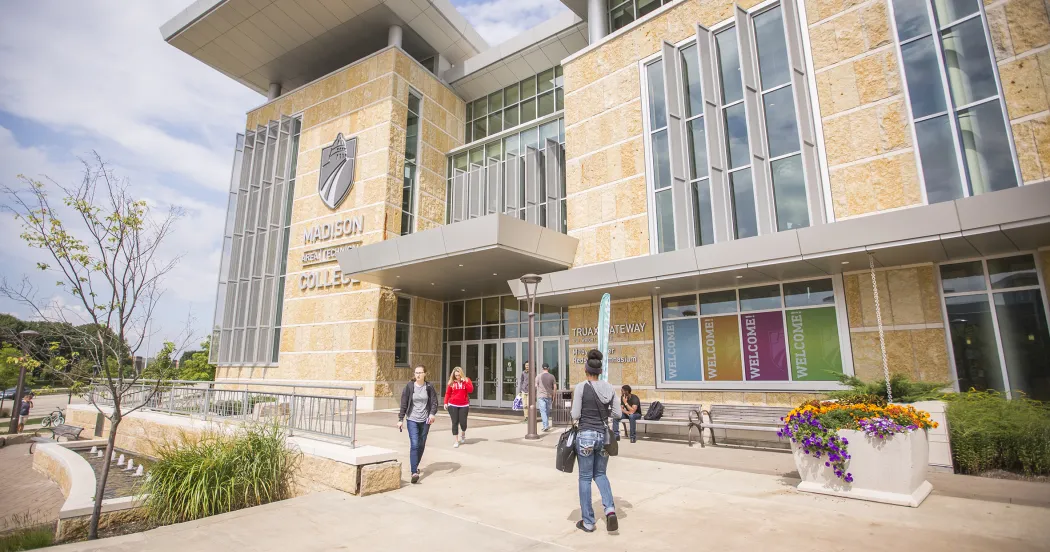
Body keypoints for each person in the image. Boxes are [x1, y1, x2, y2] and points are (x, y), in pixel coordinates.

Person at [570, 349, 621, 533]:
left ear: (586, 371)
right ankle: (610, 510)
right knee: (600, 474)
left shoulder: (581, 387)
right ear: (600, 371)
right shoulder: (609, 388)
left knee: (585, 478)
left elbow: (575, 414)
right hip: (602, 436)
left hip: (585, 436)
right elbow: (618, 414)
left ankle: (589, 522)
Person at [398, 365, 438, 484]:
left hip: (425, 420)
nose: (418, 375)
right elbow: (404, 403)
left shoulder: (429, 387)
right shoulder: (410, 386)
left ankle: (415, 465)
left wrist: (432, 414)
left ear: (425, 373)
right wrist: (401, 419)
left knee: (421, 444)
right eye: (416, 373)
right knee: (415, 444)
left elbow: (434, 402)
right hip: (412, 419)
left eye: (420, 372)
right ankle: (414, 471)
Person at [444, 366, 473, 447]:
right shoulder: (452, 382)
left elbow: (471, 390)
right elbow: (447, 393)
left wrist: (465, 382)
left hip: (464, 404)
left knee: (463, 422)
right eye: (456, 375)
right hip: (453, 404)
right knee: (455, 422)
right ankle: (456, 440)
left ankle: (463, 432)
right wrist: (445, 402)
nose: (458, 377)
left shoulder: (467, 380)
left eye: (459, 375)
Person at [536, 363, 556, 431]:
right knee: (547, 411)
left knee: (543, 411)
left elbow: (536, 385)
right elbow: (555, 387)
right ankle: (546, 425)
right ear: (548, 368)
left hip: (541, 396)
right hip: (549, 396)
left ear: (542, 368)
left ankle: (545, 425)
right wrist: (554, 395)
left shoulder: (538, 376)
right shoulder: (552, 376)